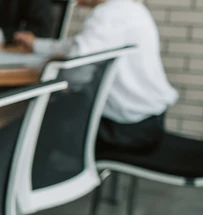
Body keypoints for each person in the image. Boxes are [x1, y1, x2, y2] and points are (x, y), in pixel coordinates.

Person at [14, 0, 178, 153]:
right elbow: (75, 46)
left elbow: (76, 72)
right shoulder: (131, 7)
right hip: (147, 121)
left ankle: (50, 178)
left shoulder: (106, 14)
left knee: (31, 123)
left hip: (125, 129)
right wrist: (37, 45)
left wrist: (45, 71)